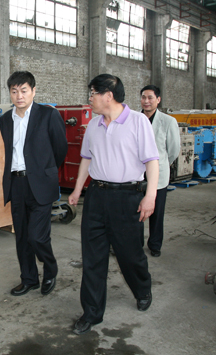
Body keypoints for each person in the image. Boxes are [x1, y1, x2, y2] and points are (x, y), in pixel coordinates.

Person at [68, 74, 159, 335]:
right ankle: (92, 312)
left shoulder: (138, 121)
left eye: (93, 93)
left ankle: (142, 289)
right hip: (97, 196)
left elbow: (152, 161)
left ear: (108, 95)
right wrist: (77, 189)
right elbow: (86, 159)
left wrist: (150, 196)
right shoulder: (93, 125)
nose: (90, 98)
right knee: (93, 257)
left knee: (130, 255)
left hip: (127, 197)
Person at [0, 71, 68, 297]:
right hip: (16, 183)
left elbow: (60, 149)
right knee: (21, 237)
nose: (19, 96)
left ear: (33, 91)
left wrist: (45, 171)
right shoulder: (5, 120)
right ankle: (29, 279)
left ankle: (50, 269)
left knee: (37, 236)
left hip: (40, 184)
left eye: (24, 90)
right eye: (14, 91)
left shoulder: (48, 115)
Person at [140, 85, 180, 257]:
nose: (146, 101)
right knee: (136, 211)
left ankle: (155, 245)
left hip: (158, 176)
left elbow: (173, 150)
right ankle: (135, 243)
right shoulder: (135, 119)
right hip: (136, 174)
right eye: (143, 97)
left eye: (150, 97)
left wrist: (160, 165)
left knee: (156, 213)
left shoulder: (168, 121)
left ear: (158, 99)